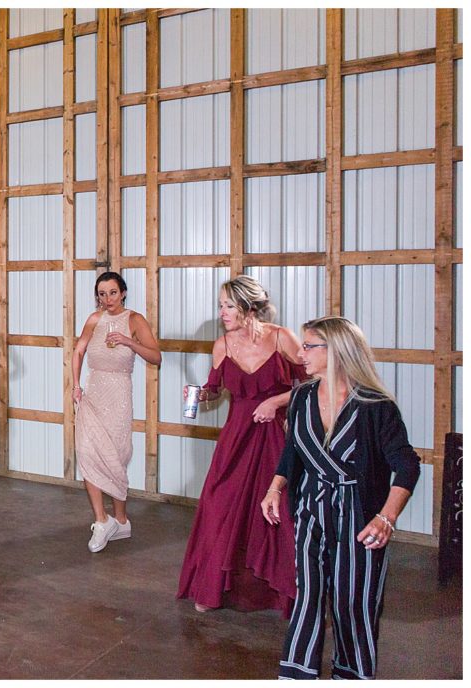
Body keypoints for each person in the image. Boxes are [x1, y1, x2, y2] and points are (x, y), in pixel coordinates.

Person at [260, 316, 420, 679]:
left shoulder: (376, 406)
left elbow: (407, 466)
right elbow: (293, 451)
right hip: (309, 511)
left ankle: (352, 676)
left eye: (308, 346)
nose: (300, 353)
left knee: (354, 603)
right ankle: (297, 676)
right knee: (307, 598)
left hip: (359, 518)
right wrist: (275, 488)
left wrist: (386, 518)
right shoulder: (301, 396)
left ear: (335, 351)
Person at [177, 275, 306, 615]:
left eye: (228, 305)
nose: (222, 312)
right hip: (235, 438)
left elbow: (317, 382)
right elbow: (215, 390)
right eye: (220, 305)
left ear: (248, 307)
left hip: (275, 437)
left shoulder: (282, 338)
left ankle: (282, 593)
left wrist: (276, 402)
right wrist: (201, 395)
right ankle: (213, 588)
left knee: (278, 510)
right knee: (219, 504)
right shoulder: (221, 345)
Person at [71, 271, 161, 552]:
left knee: (116, 457)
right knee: (86, 451)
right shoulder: (94, 320)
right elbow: (78, 351)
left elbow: (156, 357)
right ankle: (101, 520)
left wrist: (129, 341)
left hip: (119, 394)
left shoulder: (135, 320)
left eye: (112, 292)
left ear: (122, 292)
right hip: (94, 391)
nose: (107, 299)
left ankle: (121, 520)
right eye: (101, 293)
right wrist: (75, 385)